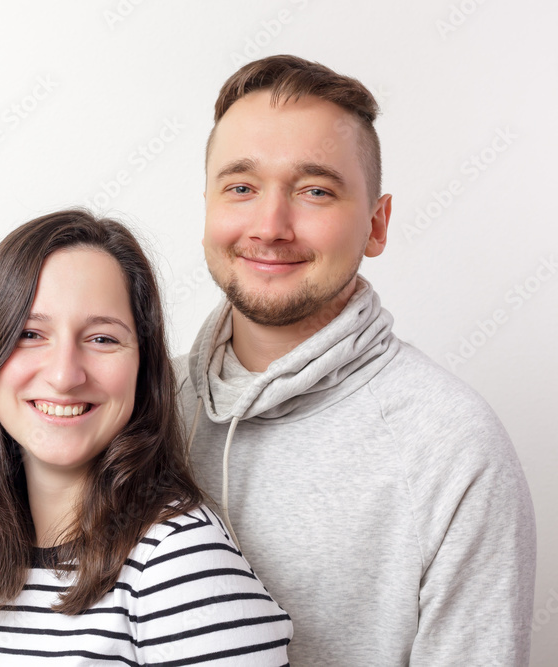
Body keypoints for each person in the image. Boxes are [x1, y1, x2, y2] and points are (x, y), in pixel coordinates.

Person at [179, 54, 537, 665]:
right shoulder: (132, 404)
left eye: (314, 191)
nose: (270, 225)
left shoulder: (453, 448)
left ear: (377, 223)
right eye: (241, 188)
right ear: (208, 207)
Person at [0, 210, 293, 665]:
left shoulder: (178, 563)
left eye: (102, 339)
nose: (64, 375)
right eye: (29, 334)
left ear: (143, 368)